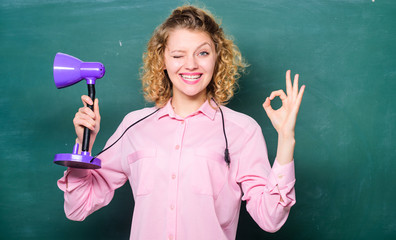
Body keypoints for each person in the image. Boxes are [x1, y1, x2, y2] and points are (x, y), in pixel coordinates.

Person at [57, 5, 305, 240]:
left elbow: (270, 219)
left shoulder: (242, 130)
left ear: (217, 58)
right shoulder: (134, 126)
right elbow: (78, 208)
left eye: (203, 53)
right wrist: (84, 145)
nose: (191, 65)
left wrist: (286, 140)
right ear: (162, 60)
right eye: (178, 55)